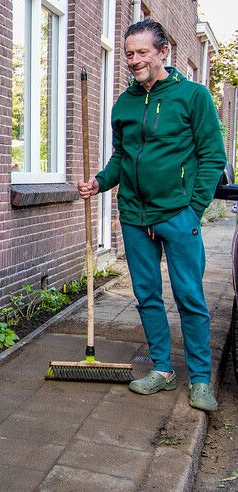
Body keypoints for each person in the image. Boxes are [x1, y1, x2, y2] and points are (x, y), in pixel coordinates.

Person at [77, 19, 226, 411]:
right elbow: (123, 157)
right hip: (133, 216)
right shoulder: (124, 104)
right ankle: (162, 369)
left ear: (163, 52)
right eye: (128, 53)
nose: (133, 59)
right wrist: (100, 181)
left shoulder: (193, 97)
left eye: (142, 52)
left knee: (190, 297)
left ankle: (199, 379)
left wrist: (193, 209)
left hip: (178, 215)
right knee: (146, 296)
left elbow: (213, 158)